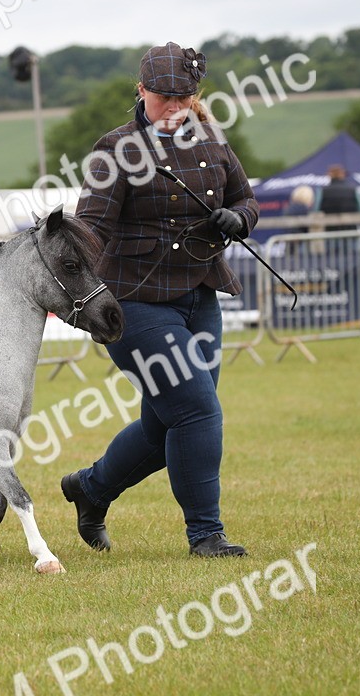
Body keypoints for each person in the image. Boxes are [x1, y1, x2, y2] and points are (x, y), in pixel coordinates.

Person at [62, 42, 259, 558]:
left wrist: (239, 220)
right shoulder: (116, 148)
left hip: (200, 295)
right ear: (142, 90)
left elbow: (245, 197)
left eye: (184, 97)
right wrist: (68, 290)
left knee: (165, 423)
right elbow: (91, 227)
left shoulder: (211, 139)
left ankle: (91, 488)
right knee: (196, 411)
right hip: (136, 302)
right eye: (163, 97)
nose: (173, 107)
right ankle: (206, 536)